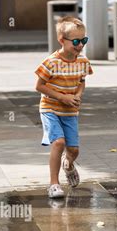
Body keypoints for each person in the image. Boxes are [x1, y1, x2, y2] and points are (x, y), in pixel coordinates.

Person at [34, 16, 93, 198]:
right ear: (62, 40)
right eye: (76, 41)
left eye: (84, 40)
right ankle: (54, 184)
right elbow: (39, 86)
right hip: (50, 108)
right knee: (58, 143)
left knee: (73, 150)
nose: (80, 45)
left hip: (70, 111)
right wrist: (62, 97)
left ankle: (68, 163)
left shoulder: (82, 62)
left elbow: (81, 82)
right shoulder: (51, 62)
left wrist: (77, 95)